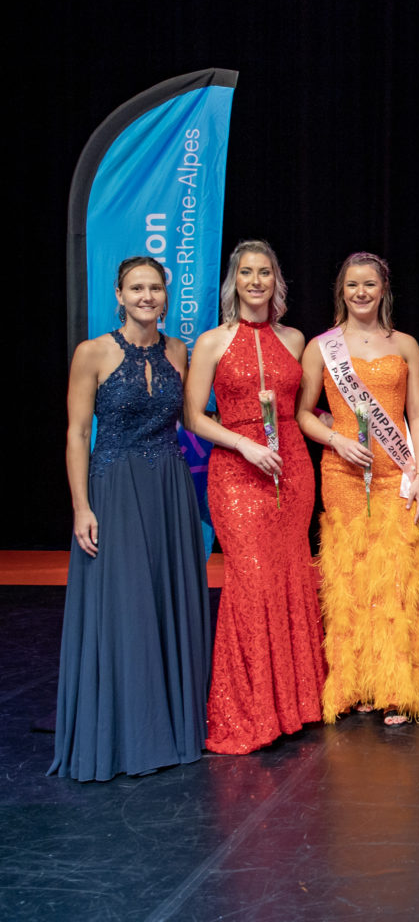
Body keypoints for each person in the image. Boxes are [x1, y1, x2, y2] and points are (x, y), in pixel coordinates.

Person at [52, 257, 213, 780]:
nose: (147, 296)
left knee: (164, 603)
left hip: (168, 487)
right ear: (118, 296)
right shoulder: (92, 352)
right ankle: (122, 737)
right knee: (123, 608)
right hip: (115, 488)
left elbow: (192, 420)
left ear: (166, 296)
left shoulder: (178, 351)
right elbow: (77, 434)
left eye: (154, 288)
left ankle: (167, 729)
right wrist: (81, 506)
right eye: (136, 288)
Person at [184, 240, 325, 754]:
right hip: (238, 471)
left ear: (276, 280)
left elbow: (307, 408)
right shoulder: (211, 343)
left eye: (265, 272)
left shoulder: (294, 339)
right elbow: (194, 416)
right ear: (234, 280)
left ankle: (295, 705)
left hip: (292, 471)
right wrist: (243, 443)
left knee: (290, 576)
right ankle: (250, 711)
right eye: (247, 273)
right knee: (250, 582)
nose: (256, 281)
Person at [298, 253, 419, 725]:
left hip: (396, 471)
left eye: (369, 284)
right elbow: (301, 414)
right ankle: (356, 683)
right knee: (350, 578)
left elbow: (417, 413)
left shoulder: (407, 344)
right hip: (342, 473)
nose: (361, 292)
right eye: (352, 284)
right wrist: (336, 438)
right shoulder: (321, 347)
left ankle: (396, 687)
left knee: (396, 578)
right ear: (342, 290)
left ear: (383, 290)